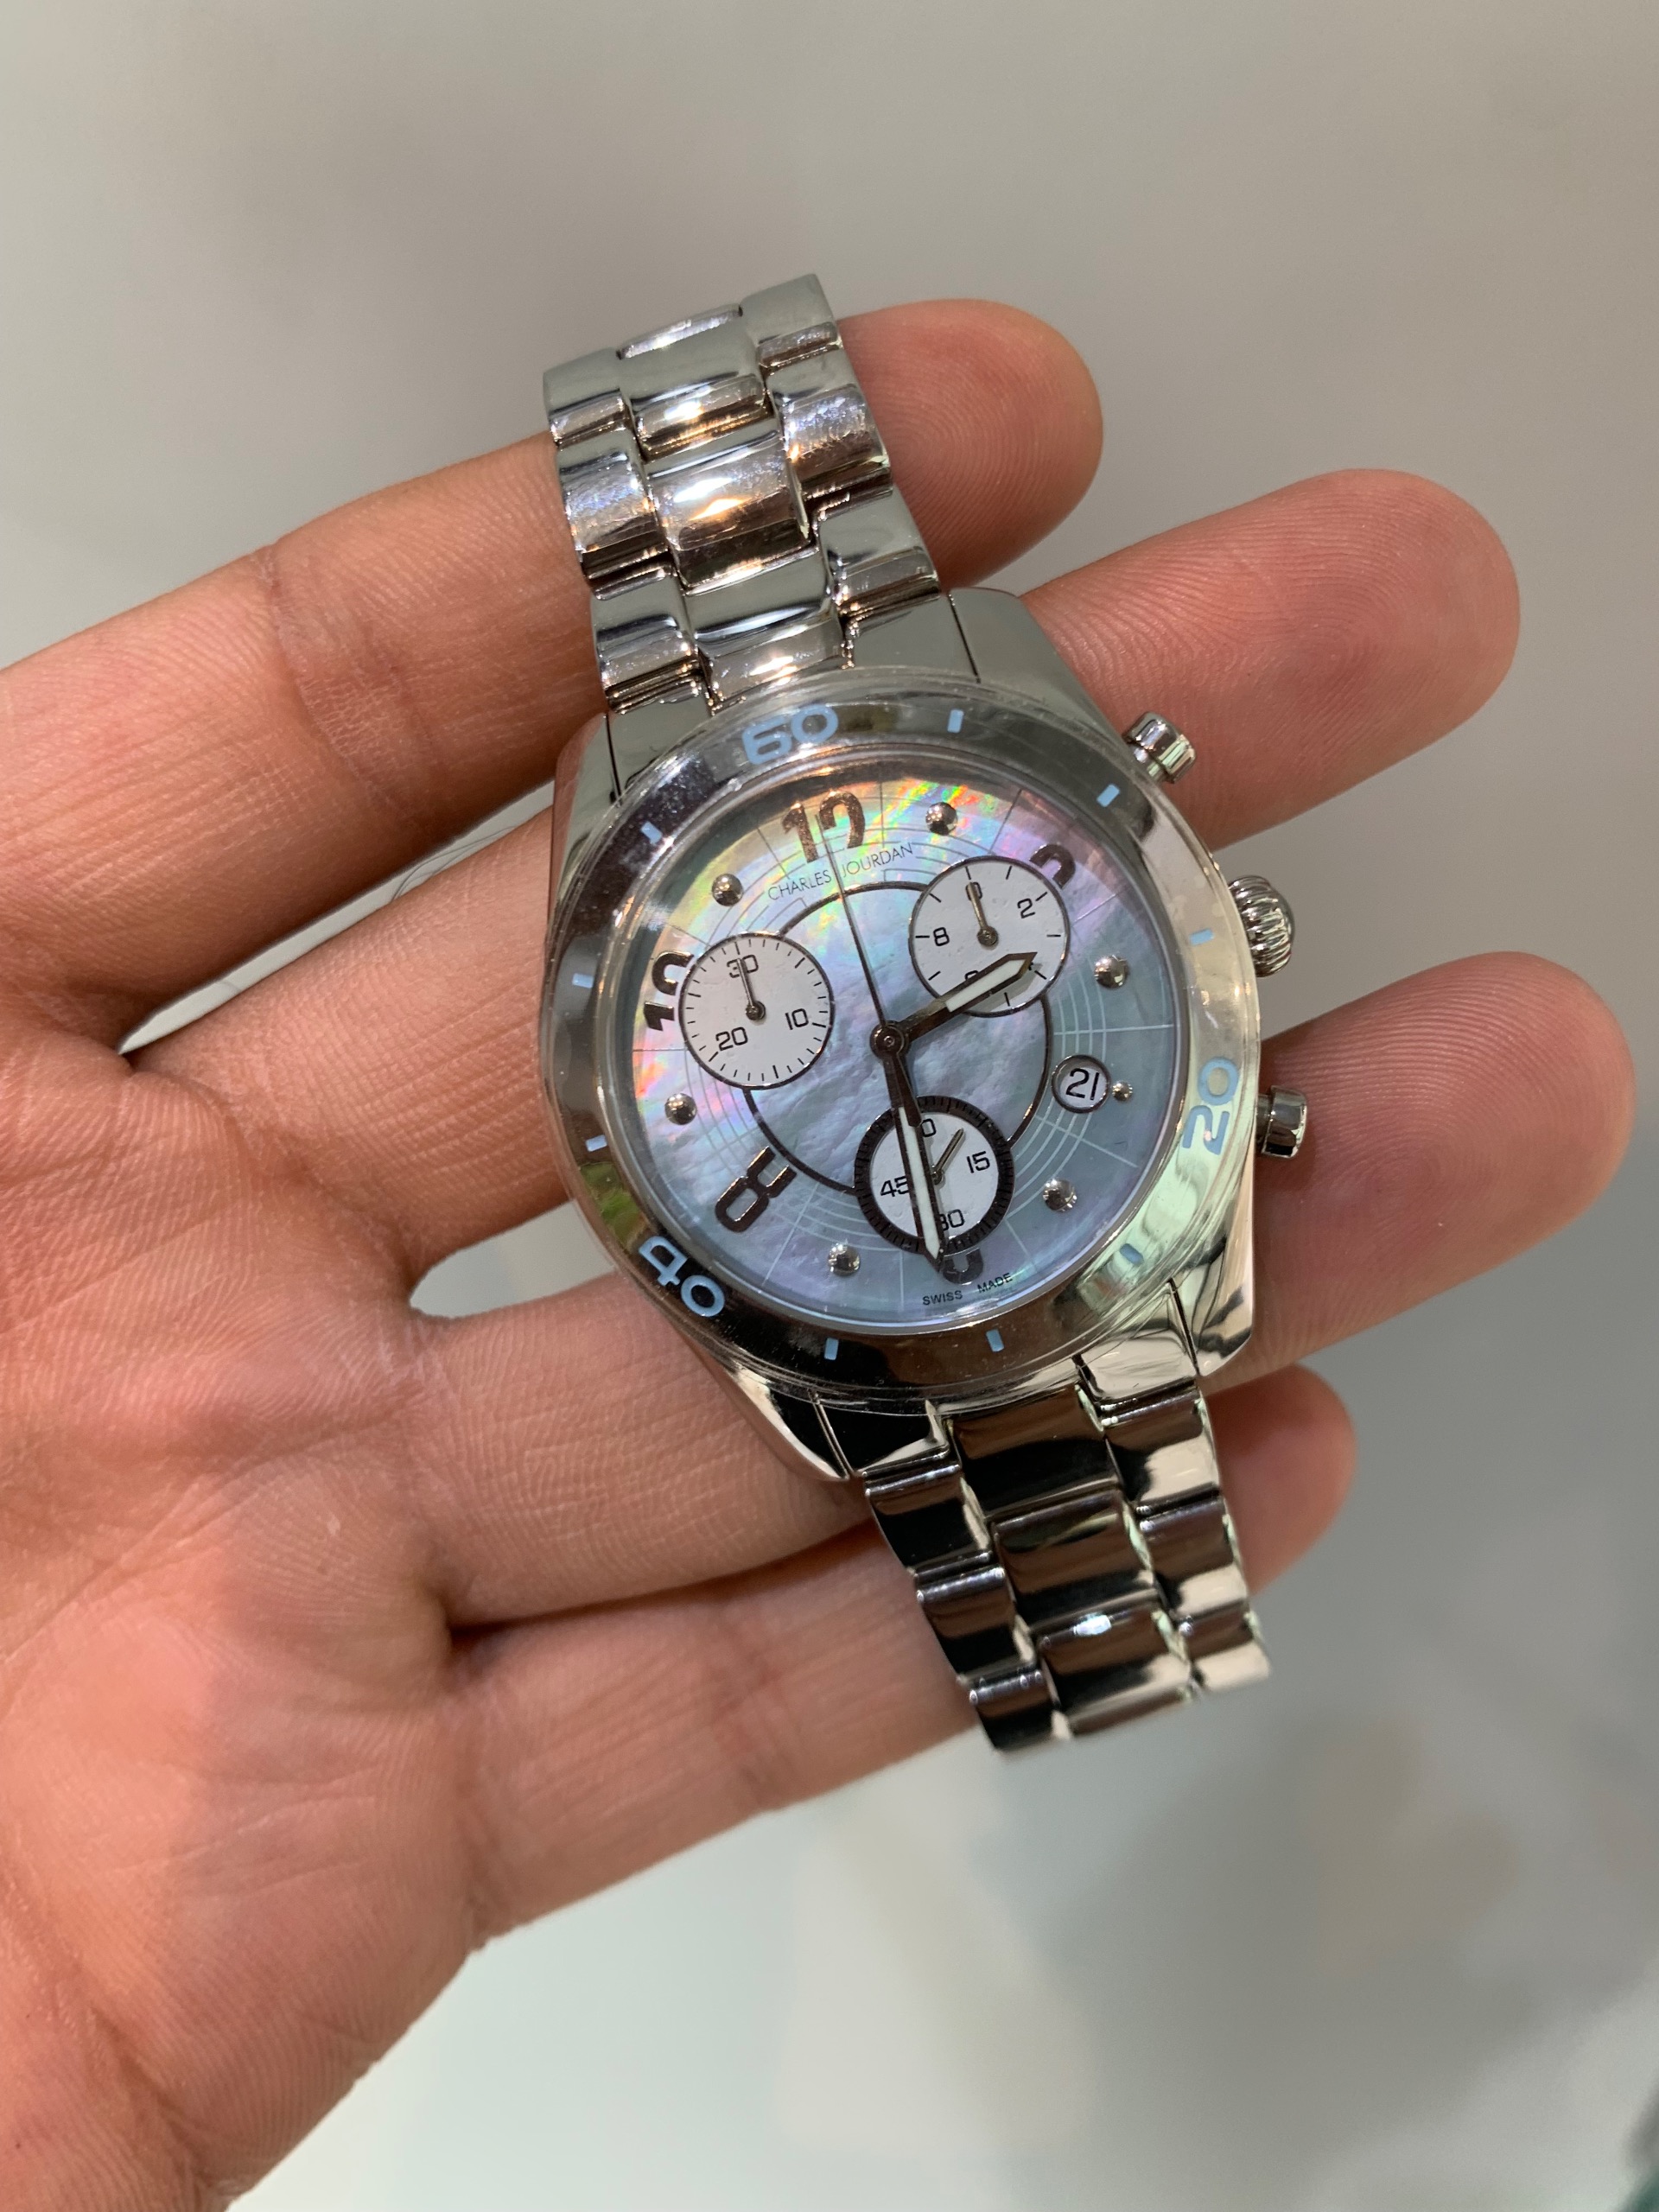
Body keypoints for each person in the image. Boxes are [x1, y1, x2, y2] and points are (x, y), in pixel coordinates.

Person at [0, 299, 1632, 2207]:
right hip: (908, 1299)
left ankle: (1121, 1650)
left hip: (1063, 1248)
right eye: (788, 1022)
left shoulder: (1019, 897)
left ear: (1217, 943)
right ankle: (1106, 1658)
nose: (882, 1036)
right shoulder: (653, 1053)